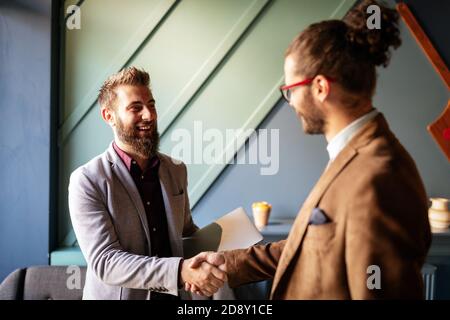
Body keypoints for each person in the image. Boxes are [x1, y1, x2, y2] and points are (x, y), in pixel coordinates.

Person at [186, 0, 431, 299]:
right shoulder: (351, 155)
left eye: (290, 91)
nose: (290, 103)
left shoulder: (378, 178)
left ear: (320, 87)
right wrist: (225, 264)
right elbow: (310, 244)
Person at [68, 67, 226, 300]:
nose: (149, 115)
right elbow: (105, 261)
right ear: (109, 116)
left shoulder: (177, 170)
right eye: (136, 108)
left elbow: (185, 233)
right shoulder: (86, 180)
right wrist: (181, 271)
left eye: (151, 105)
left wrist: (221, 249)